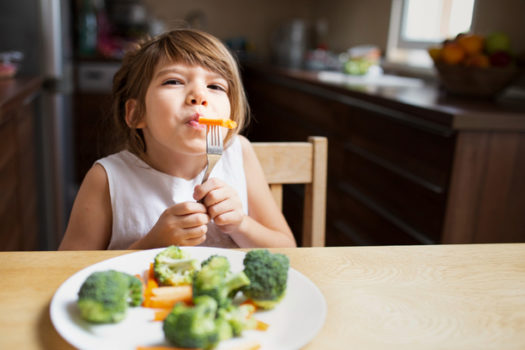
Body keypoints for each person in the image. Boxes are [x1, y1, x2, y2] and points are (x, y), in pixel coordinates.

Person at [59, 28, 296, 250]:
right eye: (174, 81)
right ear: (136, 113)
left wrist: (241, 225)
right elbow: (66, 270)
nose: (199, 96)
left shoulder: (238, 152)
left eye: (215, 86)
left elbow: (289, 250)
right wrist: (151, 244)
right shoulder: (107, 179)